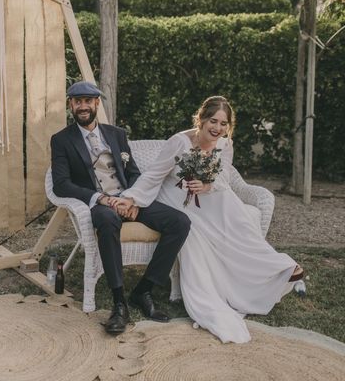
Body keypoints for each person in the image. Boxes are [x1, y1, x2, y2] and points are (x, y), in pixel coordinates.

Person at [113, 96, 303, 343]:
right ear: (201, 119)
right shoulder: (179, 142)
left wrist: (206, 184)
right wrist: (131, 198)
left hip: (206, 195)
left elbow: (223, 178)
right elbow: (154, 175)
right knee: (215, 216)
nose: (218, 128)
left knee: (233, 207)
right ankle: (264, 269)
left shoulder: (225, 144)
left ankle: (276, 265)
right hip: (174, 196)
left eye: (224, 124)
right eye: (213, 121)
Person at [50, 81, 191, 334]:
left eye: (87, 101)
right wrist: (100, 198)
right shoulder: (61, 140)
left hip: (128, 198)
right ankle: (119, 302)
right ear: (71, 105)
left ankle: (144, 290)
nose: (83, 106)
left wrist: (133, 199)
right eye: (77, 101)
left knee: (180, 222)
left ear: (96, 103)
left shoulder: (117, 134)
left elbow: (134, 173)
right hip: (99, 204)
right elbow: (61, 185)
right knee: (107, 220)